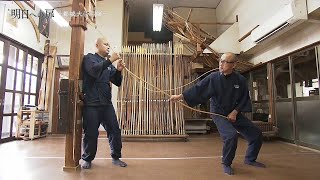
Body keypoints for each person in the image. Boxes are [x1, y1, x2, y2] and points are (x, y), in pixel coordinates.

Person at [169, 52, 265, 175]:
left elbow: (244, 98)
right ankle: (226, 163)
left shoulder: (240, 79)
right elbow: (198, 89)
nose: (221, 64)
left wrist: (235, 112)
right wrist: (179, 96)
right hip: (218, 113)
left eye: (225, 62)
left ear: (234, 64)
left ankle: (250, 159)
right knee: (231, 136)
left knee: (256, 133)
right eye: (221, 61)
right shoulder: (213, 77)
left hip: (234, 112)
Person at [81, 38, 127, 169]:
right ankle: (88, 159)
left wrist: (118, 70)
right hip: (91, 104)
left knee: (114, 130)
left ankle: (116, 157)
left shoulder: (108, 65)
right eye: (105, 44)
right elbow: (93, 71)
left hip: (106, 104)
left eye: (109, 44)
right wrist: (110, 60)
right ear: (97, 45)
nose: (108, 46)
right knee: (91, 133)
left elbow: (117, 82)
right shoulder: (89, 58)